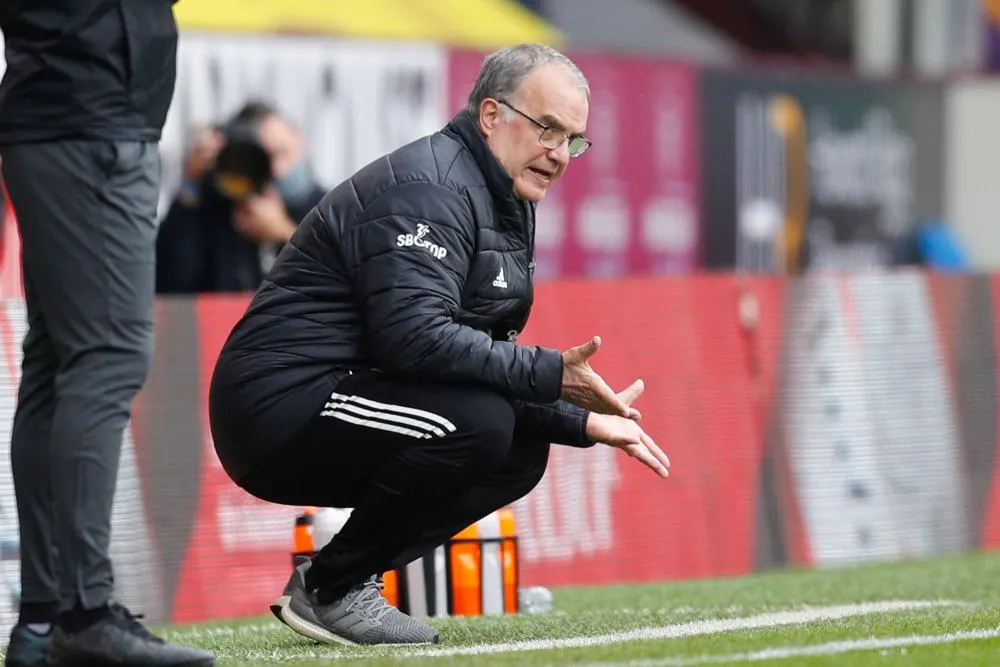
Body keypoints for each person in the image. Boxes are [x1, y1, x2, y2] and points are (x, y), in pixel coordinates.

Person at [208, 43, 669, 647]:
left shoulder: (499, 191)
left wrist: (576, 421)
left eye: (573, 140)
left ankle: (339, 580)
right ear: (490, 116)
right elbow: (415, 342)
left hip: (340, 390)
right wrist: (551, 374)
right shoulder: (430, 188)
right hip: (276, 408)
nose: (559, 154)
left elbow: (464, 361)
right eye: (547, 129)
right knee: (479, 423)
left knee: (518, 448)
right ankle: (334, 588)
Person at [0, 2, 215, 666]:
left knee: (59, 358)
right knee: (108, 354)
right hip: (87, 112)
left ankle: (44, 618)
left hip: (69, 109)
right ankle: (84, 613)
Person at [156, 101, 327, 293]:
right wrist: (191, 185)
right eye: (263, 159)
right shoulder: (216, 208)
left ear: (300, 141)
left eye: (282, 153)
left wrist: (285, 234)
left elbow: (340, 283)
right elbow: (170, 281)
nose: (275, 171)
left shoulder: (328, 208)